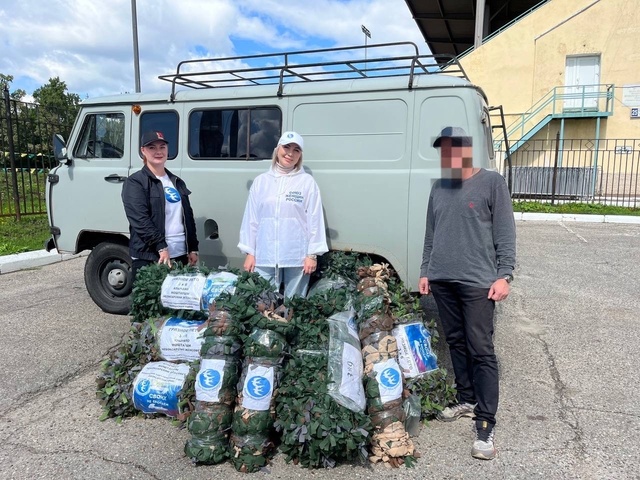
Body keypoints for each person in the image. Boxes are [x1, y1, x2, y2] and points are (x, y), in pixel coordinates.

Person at [418, 126, 516, 461]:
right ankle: (466, 398)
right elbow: (432, 234)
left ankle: (485, 422)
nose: (449, 156)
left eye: (454, 149)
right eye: (444, 151)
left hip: (478, 282)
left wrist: (505, 275)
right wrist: (425, 270)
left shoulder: (491, 182)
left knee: (481, 348)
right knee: (456, 341)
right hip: (443, 279)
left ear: (467, 150)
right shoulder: (438, 187)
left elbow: (505, 232)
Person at [238, 131, 328, 298]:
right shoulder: (261, 182)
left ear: (300, 155)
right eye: (286, 147)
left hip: (297, 256)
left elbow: (315, 220)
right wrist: (250, 252)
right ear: (277, 149)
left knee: (294, 303)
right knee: (262, 301)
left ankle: (291, 324)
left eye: (296, 150)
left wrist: (312, 255)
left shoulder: (307, 182)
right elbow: (251, 219)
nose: (290, 154)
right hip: (265, 255)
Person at [122, 131, 199, 283]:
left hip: (179, 255)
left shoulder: (177, 181)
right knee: (151, 305)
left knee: (177, 305)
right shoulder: (135, 182)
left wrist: (192, 248)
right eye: (152, 147)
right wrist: (161, 247)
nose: (158, 151)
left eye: (162, 147)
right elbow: (140, 219)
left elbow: (188, 216)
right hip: (151, 256)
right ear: (143, 151)